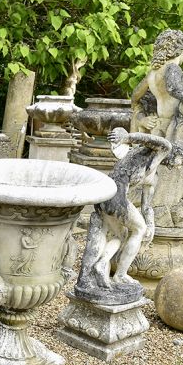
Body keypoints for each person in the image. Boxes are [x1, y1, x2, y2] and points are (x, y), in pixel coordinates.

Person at [75, 127, 167, 298]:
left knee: (121, 235)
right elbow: (158, 141)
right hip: (114, 196)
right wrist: (127, 137)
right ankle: (120, 275)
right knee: (139, 229)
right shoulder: (152, 152)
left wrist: (151, 224)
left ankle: (101, 264)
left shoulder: (152, 176)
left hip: (106, 195)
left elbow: (147, 206)